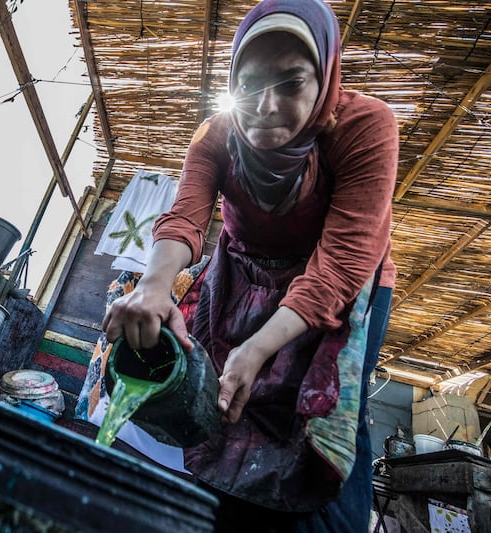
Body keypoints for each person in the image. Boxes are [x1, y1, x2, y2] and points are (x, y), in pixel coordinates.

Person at [101, 0, 398, 530]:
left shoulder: (364, 126)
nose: (263, 105)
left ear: (325, 77)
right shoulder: (217, 132)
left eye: (290, 83)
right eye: (250, 83)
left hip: (341, 283)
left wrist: (259, 346)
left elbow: (342, 262)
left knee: (316, 413)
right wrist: (153, 287)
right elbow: (187, 214)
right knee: (224, 400)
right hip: (242, 274)